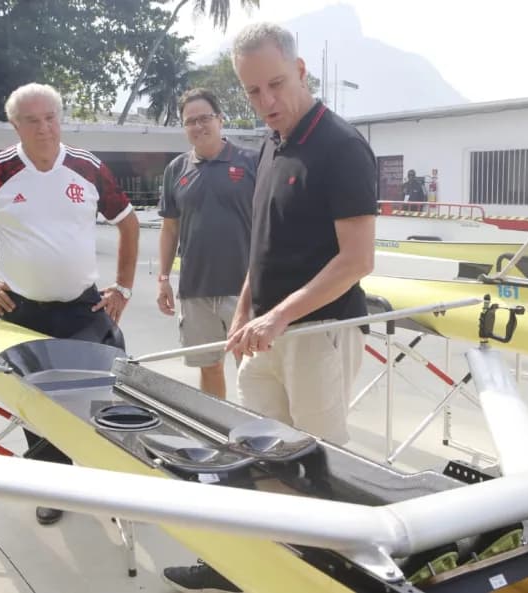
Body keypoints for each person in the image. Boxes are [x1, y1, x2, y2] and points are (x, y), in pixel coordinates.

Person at [161, 23, 377, 593]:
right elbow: (265, 243)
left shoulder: (341, 146)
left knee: (317, 463)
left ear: (302, 71)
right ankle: (247, 568)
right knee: (258, 455)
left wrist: (280, 316)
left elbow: (356, 261)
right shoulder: (270, 146)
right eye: (253, 92)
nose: (267, 102)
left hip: (318, 331)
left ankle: (322, 577)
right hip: (264, 332)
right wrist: (245, 313)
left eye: (276, 84)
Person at [0, 82, 139, 526]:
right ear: (16, 125)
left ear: (61, 118)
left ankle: (115, 483)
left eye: (50, 117)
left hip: (83, 307)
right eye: (32, 120)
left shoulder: (88, 168)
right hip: (21, 309)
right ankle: (52, 486)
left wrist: (123, 287)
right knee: (34, 402)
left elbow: (128, 224)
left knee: (102, 394)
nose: (44, 127)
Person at [157, 88, 257, 399]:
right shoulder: (176, 169)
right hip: (196, 290)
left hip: (246, 290)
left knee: (253, 369)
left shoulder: (252, 162)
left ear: (220, 119)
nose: (199, 126)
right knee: (209, 367)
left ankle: (258, 439)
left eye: (205, 118)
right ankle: (219, 432)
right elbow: (170, 228)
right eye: (190, 121)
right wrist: (163, 279)